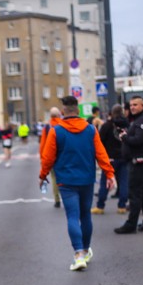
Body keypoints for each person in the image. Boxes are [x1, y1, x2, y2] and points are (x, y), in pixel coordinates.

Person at [39, 96, 115, 270]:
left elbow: (47, 158)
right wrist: (109, 174)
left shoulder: (56, 131)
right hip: (87, 179)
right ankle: (86, 250)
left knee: (72, 216)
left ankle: (78, 254)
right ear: (78, 110)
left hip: (66, 181)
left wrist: (43, 176)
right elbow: (101, 154)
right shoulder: (90, 130)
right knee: (85, 215)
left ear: (63, 112)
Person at [115, 96, 143, 234]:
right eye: (131, 105)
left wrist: (125, 137)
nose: (132, 107)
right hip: (138, 160)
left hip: (139, 161)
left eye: (135, 105)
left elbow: (138, 140)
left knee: (135, 194)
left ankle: (131, 224)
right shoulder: (139, 119)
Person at [93, 104, 129, 215]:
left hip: (110, 159)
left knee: (105, 182)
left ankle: (100, 206)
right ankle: (122, 206)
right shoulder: (126, 125)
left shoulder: (107, 126)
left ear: (111, 113)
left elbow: (99, 142)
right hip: (124, 157)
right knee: (124, 182)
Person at [40, 107, 63, 208]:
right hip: (63, 156)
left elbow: (43, 144)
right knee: (64, 178)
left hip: (52, 157)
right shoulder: (63, 124)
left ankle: (57, 200)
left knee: (54, 179)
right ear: (59, 115)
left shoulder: (48, 127)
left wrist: (42, 158)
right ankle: (67, 198)